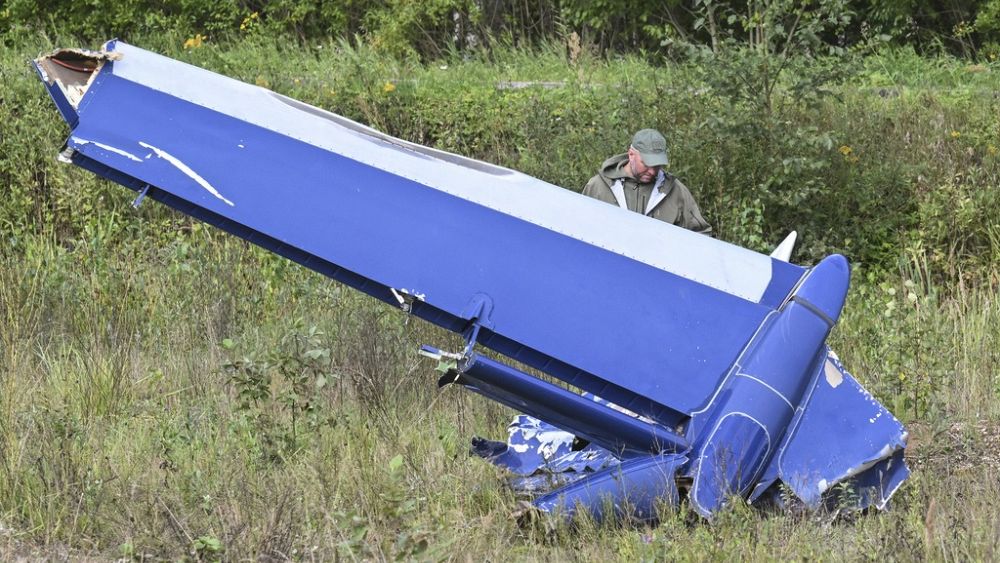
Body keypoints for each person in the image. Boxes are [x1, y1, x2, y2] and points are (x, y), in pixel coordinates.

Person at [583, 128, 711, 234]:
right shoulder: (597, 187)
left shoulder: (676, 191)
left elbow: (701, 235)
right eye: (646, 164)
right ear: (631, 154)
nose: (652, 171)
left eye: (657, 165)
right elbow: (580, 228)